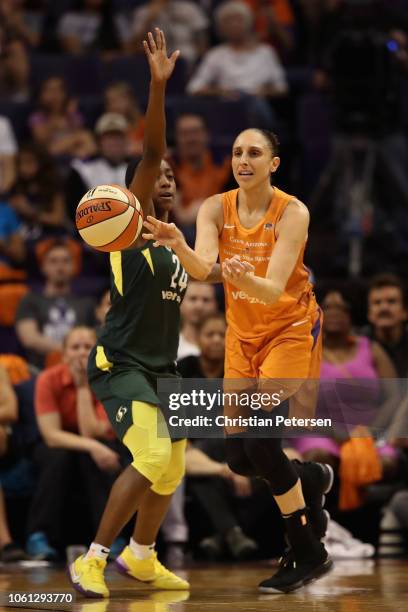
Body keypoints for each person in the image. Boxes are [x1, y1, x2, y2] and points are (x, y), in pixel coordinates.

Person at [143, 127, 334, 593]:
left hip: (289, 329)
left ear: (274, 164)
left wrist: (238, 278)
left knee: (263, 444)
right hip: (241, 336)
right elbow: (205, 269)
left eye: (254, 153)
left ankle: (307, 549)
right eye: (236, 152)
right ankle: (309, 478)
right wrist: (178, 244)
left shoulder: (293, 212)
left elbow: (270, 289)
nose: (242, 160)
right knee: (239, 459)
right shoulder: (214, 206)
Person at [68, 29, 189, 599]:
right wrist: (157, 87)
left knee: (172, 468)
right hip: (122, 363)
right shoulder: (134, 233)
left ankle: (141, 557)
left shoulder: (177, 240)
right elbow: (150, 152)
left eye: (169, 178)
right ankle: (91, 559)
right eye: (155, 178)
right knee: (152, 453)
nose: (163, 178)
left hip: (165, 367)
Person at [27, 326, 123, 560]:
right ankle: (39, 536)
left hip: (96, 441)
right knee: (60, 455)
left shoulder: (108, 380)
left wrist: (82, 386)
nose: (81, 353)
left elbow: (92, 432)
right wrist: (91, 446)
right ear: (64, 354)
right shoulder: (47, 379)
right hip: (58, 444)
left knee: (101, 455)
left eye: (87, 347)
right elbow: (51, 435)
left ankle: (110, 538)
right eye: (75, 347)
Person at [15, 241, 95, 369]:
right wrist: (69, 350)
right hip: (40, 369)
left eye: (66, 261)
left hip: (81, 368)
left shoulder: (87, 303)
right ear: (43, 267)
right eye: (53, 261)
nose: (60, 266)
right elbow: (29, 339)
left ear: (74, 266)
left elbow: (95, 337)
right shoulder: (30, 300)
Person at [363, 274, 408, 378]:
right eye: (377, 303)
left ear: (405, 311)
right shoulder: (356, 347)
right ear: (369, 313)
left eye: (391, 301)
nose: (384, 307)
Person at [178, 281, 218, 359]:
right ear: (180, 303)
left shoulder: (223, 345)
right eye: (193, 299)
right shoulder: (168, 344)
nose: (199, 306)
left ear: (215, 305)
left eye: (206, 300)